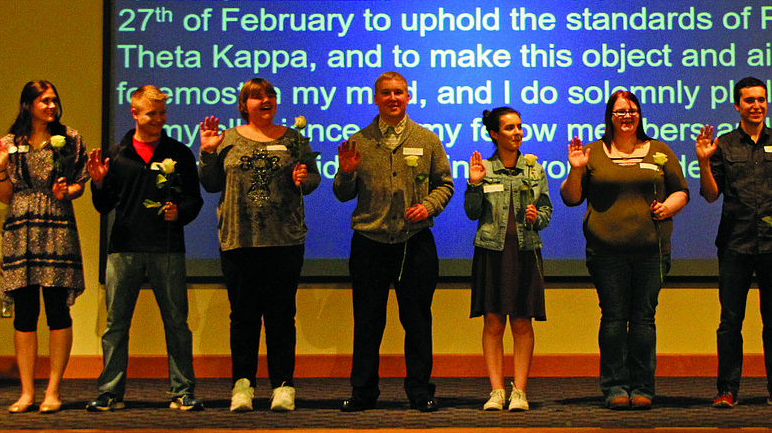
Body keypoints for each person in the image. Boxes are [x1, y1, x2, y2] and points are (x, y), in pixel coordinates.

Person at [333, 71, 454, 412]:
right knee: (368, 321)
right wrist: (345, 173)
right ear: (376, 99)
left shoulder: (427, 140)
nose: (393, 98)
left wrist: (428, 206)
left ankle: (419, 390)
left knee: (416, 320)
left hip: (414, 242)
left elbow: (444, 184)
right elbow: (342, 195)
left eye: (399, 92)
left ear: (408, 96)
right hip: (369, 241)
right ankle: (363, 391)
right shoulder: (358, 140)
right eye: (386, 93)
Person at [560, 91, 688, 410]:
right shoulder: (592, 152)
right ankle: (615, 386)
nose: (627, 116)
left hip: (651, 250)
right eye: (620, 111)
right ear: (610, 116)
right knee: (614, 319)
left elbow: (681, 191)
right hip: (606, 253)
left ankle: (643, 386)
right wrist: (576, 169)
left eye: (632, 110)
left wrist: (669, 206)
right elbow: (571, 198)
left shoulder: (659, 150)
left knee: (643, 320)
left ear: (639, 114)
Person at [198, 78, 320, 412]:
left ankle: (283, 385)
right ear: (244, 104)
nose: (264, 100)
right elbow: (210, 184)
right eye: (256, 97)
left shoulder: (294, 139)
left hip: (284, 240)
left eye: (269, 95)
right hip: (240, 240)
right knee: (243, 316)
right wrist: (208, 152)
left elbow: (313, 178)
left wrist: (303, 177)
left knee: (281, 315)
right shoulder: (228, 140)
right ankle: (243, 386)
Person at [85, 85, 205, 412]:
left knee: (177, 323)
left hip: (167, 247)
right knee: (116, 325)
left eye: (163, 113)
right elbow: (103, 204)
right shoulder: (117, 154)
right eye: (152, 113)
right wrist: (98, 182)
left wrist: (179, 212)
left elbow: (194, 199)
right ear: (135, 113)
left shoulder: (178, 153)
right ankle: (110, 392)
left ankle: (183, 392)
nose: (159, 119)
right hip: (123, 248)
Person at [695, 76, 772, 408]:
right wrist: (703, 159)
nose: (756, 105)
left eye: (761, 99)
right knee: (730, 321)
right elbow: (710, 194)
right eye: (749, 100)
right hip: (735, 242)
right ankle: (727, 389)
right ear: (737, 105)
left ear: (767, 103)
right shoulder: (725, 145)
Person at [0, 80, 87, 413]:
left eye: (54, 100)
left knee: (57, 310)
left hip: (57, 226)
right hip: (21, 229)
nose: (51, 105)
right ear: (28, 105)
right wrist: (0, 167)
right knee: (25, 312)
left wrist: (66, 191)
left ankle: (53, 390)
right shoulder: (10, 143)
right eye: (44, 100)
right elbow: (4, 196)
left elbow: (78, 186)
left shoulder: (70, 139)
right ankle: (27, 392)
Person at [465, 107, 552, 411]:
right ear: (494, 134)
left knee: (521, 321)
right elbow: (472, 212)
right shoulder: (484, 169)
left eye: (519, 127)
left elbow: (546, 212)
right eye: (509, 128)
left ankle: (520, 391)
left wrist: (535, 217)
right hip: (492, 251)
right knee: (492, 321)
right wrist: (474, 184)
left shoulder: (534, 170)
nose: (517, 132)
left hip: (526, 251)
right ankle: (496, 390)